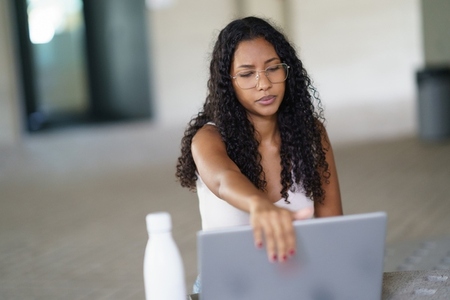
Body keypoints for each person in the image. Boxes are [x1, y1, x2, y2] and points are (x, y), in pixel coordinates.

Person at [176, 16, 343, 292]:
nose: (264, 83)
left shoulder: (311, 134)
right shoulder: (208, 138)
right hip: (227, 287)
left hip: (299, 282)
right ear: (228, 83)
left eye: (272, 69)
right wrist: (260, 206)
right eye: (246, 74)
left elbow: (333, 230)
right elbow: (223, 178)